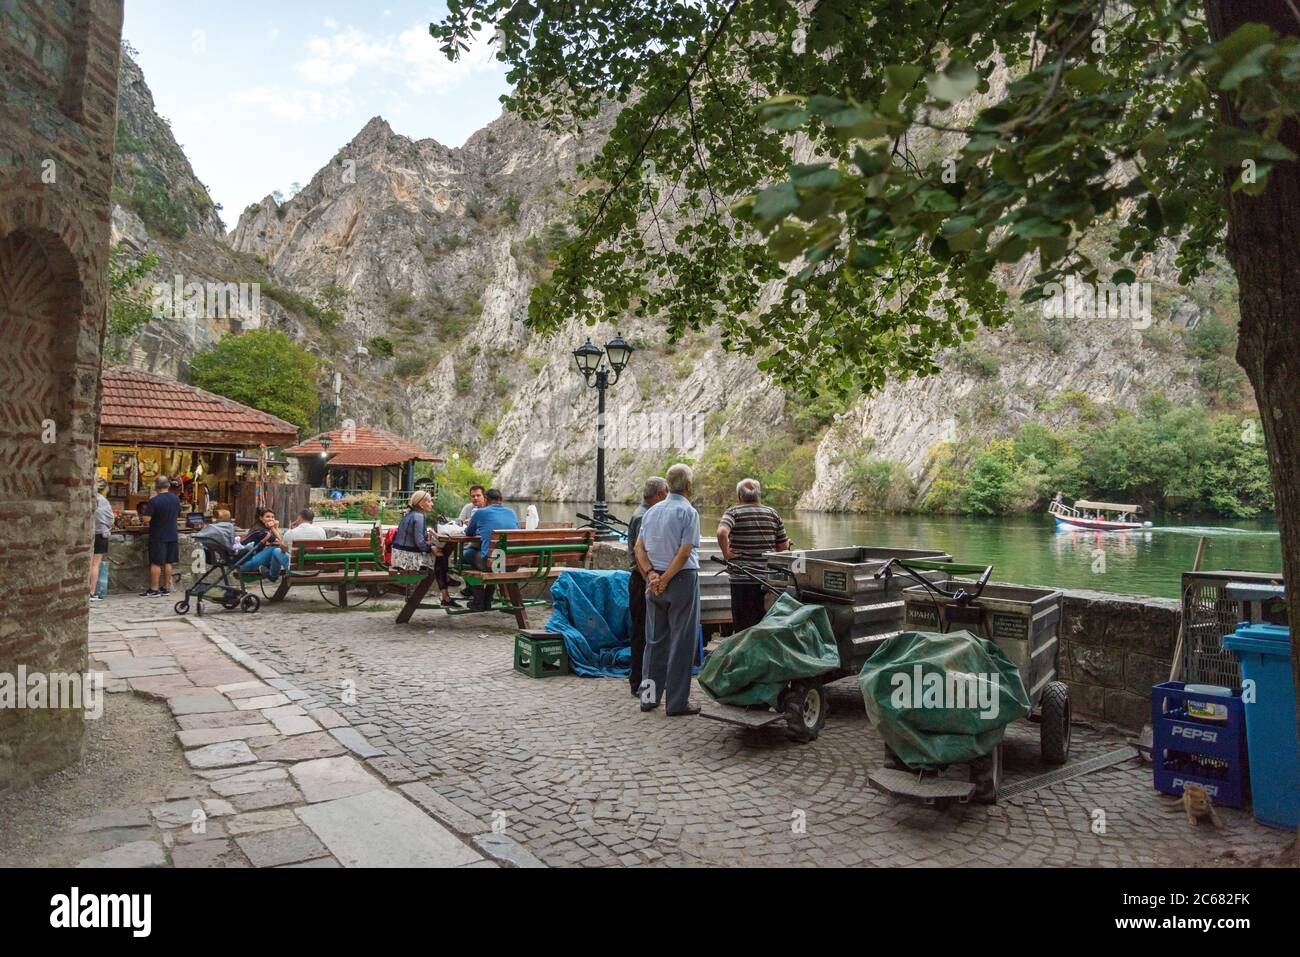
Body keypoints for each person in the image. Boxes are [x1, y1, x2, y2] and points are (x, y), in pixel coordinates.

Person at [634, 463, 701, 716]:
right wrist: (666, 579)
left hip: (654, 582)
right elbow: (685, 551)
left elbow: (638, 548)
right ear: (689, 486)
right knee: (681, 643)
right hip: (681, 580)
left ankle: (649, 698)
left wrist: (652, 575)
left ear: (667, 485)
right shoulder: (689, 512)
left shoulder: (652, 512)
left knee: (654, 642)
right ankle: (676, 703)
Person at [717, 478, 789, 632]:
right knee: (765, 625)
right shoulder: (773, 514)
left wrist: (726, 554)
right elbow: (783, 549)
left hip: (741, 580)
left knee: (743, 627)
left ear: (739, 497)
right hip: (767, 580)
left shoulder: (733, 512)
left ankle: (744, 654)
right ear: (759, 496)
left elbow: (722, 532)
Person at [626, 476, 668, 697]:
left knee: (642, 632)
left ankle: (642, 680)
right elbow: (642, 553)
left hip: (640, 579)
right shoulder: (645, 516)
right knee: (643, 633)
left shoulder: (641, 513)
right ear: (659, 494)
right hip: (642, 580)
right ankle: (639, 683)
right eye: (666, 493)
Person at [391, 490, 459, 608]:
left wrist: (429, 545)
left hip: (400, 555)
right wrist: (430, 547)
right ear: (421, 504)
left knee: (439, 556)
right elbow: (420, 544)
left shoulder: (412, 514)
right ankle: (446, 590)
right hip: (407, 560)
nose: (432, 504)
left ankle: (446, 593)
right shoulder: (419, 516)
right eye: (429, 501)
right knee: (440, 556)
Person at [463, 488, 520, 610]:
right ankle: (487, 599)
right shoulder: (512, 512)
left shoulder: (480, 512)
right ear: (501, 500)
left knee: (466, 554)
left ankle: (479, 601)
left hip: (491, 564)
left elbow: (468, 533)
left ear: (486, 499)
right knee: (491, 557)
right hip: (513, 564)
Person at [139, 475, 180, 597]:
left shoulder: (154, 501)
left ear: (156, 487)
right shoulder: (176, 499)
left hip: (158, 535)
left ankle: (154, 589)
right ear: (168, 485)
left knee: (156, 562)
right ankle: (166, 587)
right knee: (168, 562)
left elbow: (146, 519)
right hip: (172, 533)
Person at [236, 508, 290, 581]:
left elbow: (280, 542)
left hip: (251, 560)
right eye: (268, 517)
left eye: (273, 517)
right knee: (275, 549)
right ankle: (285, 571)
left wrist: (274, 528)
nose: (271, 519)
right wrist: (273, 528)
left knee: (276, 549)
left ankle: (276, 574)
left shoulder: (263, 529)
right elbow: (281, 542)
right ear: (261, 518)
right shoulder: (262, 531)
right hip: (246, 563)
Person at [90, 479, 114, 602]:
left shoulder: (89, 498)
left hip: (89, 533)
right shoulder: (103, 501)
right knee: (95, 564)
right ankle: (91, 592)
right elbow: (110, 518)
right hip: (100, 534)